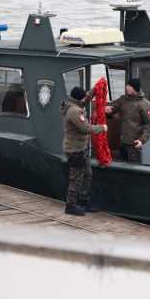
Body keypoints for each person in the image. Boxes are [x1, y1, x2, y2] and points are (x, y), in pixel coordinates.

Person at [62, 86, 107, 215]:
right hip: (75, 149)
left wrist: (97, 87)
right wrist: (102, 128)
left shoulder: (74, 104)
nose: (85, 99)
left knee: (88, 174)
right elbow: (85, 128)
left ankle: (83, 201)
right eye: (83, 97)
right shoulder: (74, 111)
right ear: (78, 98)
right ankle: (70, 206)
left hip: (81, 148)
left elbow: (85, 99)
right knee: (76, 178)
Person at [105, 78, 150, 163]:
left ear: (135, 88)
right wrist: (107, 108)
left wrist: (142, 140)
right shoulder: (123, 99)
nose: (126, 87)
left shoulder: (146, 105)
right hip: (121, 142)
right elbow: (113, 107)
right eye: (127, 85)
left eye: (129, 86)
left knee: (135, 170)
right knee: (122, 169)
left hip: (134, 144)